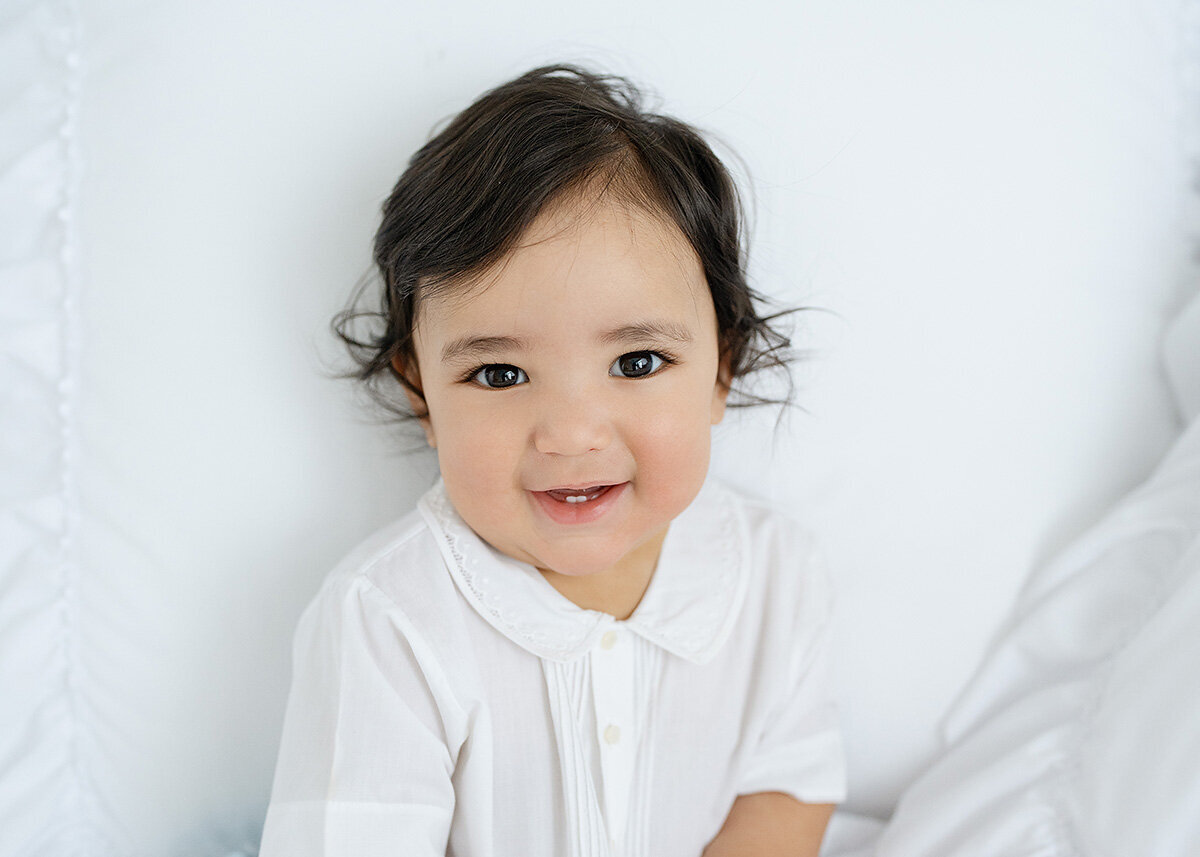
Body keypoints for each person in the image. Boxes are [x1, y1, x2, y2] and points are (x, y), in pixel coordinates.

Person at [259, 64, 846, 857]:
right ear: (421, 393)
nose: (571, 435)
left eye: (637, 362)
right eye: (499, 374)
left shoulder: (775, 571)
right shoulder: (391, 616)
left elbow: (787, 788)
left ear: (721, 368)